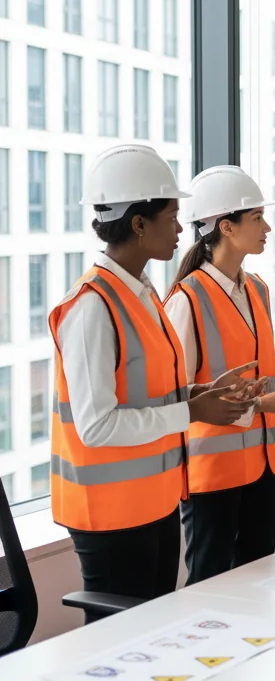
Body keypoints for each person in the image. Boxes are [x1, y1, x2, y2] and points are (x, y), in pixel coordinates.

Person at [49, 145, 253, 622]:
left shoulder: (141, 294)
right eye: (172, 217)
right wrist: (190, 412)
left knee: (156, 635)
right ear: (138, 224)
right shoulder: (92, 306)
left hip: (155, 502)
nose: (181, 230)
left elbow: (143, 393)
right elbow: (96, 426)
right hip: (111, 515)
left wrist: (197, 394)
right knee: (121, 646)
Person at [165, 166, 275, 585]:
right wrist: (259, 406)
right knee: (210, 588)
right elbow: (178, 395)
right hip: (213, 475)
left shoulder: (256, 288)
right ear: (226, 227)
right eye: (257, 218)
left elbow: (255, 375)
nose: (267, 227)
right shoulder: (187, 299)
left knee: (257, 585)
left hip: (263, 467)